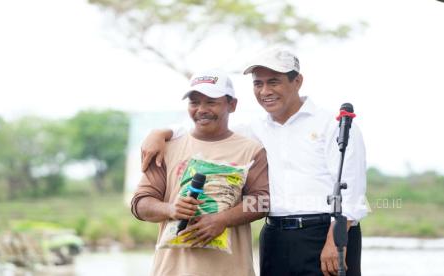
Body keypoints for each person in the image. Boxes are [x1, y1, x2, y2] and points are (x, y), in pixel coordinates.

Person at [141, 47, 368, 276]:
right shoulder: (254, 129)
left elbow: (352, 191)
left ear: (297, 81)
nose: (265, 91)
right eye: (258, 84)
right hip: (275, 237)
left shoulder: (333, 125)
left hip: (326, 234)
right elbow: (207, 128)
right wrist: (160, 133)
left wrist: (335, 243)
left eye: (274, 82)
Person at [131, 69, 269, 276]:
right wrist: (170, 209)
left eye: (211, 102)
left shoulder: (251, 150)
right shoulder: (166, 148)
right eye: (194, 102)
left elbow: (262, 202)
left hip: (232, 270)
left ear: (232, 105)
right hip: (172, 271)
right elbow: (140, 203)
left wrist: (223, 219)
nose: (201, 109)